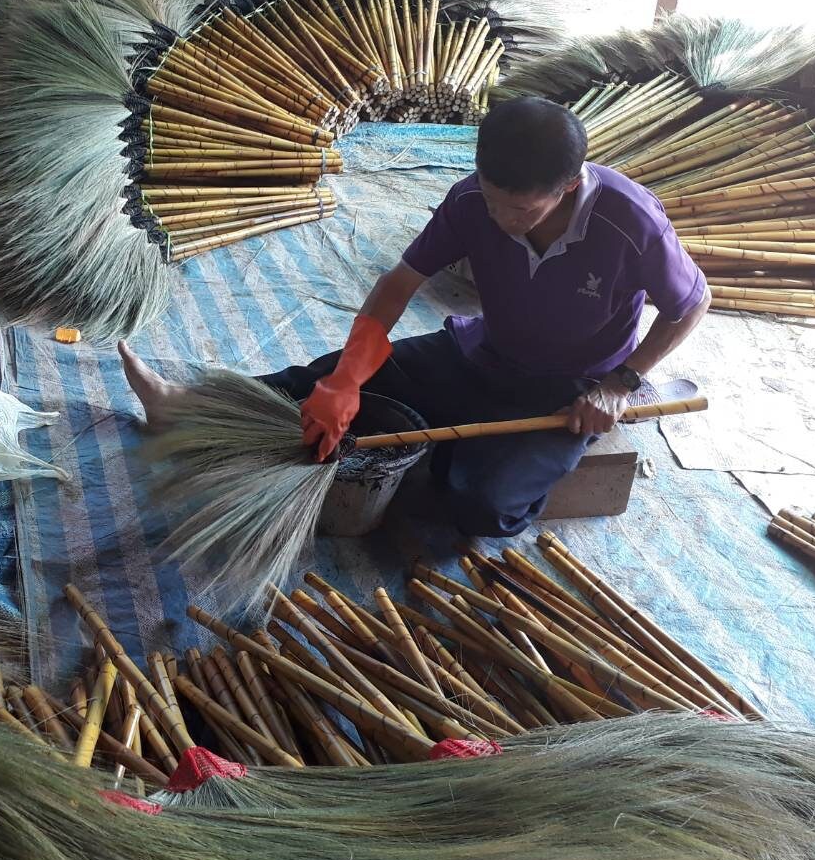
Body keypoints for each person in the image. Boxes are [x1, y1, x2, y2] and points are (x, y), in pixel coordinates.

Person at [120, 96, 711, 539]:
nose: (503, 218)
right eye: (492, 197)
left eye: (522, 209)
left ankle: (456, 462)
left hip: (565, 392)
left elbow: (691, 305)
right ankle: (185, 406)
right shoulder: (468, 201)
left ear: (569, 186)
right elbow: (399, 284)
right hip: (483, 355)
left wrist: (618, 384)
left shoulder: (630, 222)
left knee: (483, 509)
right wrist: (347, 379)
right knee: (325, 378)